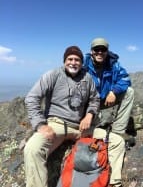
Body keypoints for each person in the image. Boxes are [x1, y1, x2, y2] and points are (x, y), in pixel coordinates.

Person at [24, 46, 100, 187]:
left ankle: (115, 182)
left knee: (114, 140)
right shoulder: (53, 75)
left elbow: (95, 99)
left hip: (80, 128)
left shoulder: (87, 78)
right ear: (64, 61)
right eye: (69, 59)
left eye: (77, 60)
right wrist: (41, 125)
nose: (73, 62)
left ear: (82, 63)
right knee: (32, 150)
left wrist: (90, 114)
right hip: (56, 125)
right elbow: (31, 98)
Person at [83, 37, 134, 187]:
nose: (100, 52)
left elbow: (125, 79)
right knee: (90, 129)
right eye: (96, 49)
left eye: (103, 49)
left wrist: (114, 91)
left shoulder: (113, 64)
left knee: (129, 92)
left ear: (107, 51)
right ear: (91, 51)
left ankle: (118, 132)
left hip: (107, 98)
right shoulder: (84, 64)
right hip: (90, 103)